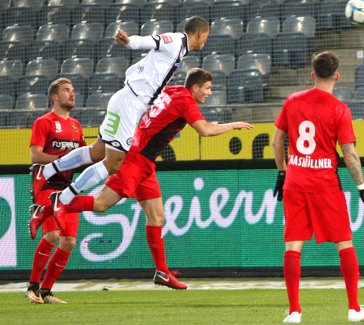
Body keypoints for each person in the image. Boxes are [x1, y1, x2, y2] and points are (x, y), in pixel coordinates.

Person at [47, 68, 251, 290]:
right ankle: (50, 208)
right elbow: (205, 130)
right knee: (101, 204)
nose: (210, 93)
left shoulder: (173, 91)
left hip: (145, 161)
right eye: (208, 88)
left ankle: (162, 272)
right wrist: (233, 124)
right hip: (135, 158)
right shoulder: (186, 101)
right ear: (195, 87)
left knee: (157, 216)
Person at [30, 17, 211, 232]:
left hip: (127, 100)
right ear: (200, 33)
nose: (205, 41)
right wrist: (129, 42)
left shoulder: (181, 51)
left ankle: (47, 171)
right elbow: (151, 41)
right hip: (130, 103)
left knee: (96, 152)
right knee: (113, 163)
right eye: (206, 37)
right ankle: (63, 199)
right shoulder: (176, 41)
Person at [272, 51, 364, 323]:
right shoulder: (339, 109)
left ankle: (294, 311)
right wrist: (362, 187)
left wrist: (282, 173)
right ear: (337, 76)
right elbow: (349, 154)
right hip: (325, 183)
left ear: (312, 74)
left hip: (296, 180)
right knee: (344, 242)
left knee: (293, 245)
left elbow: (276, 140)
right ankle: (353, 308)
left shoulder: (292, 102)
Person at [25, 78, 85, 304]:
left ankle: (46, 291)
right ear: (54, 97)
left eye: (73, 90)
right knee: (52, 235)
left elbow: (81, 156)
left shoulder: (76, 126)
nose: (72, 94)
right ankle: (32, 287)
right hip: (46, 185)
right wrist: (63, 160)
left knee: (69, 242)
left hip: (68, 189)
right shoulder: (44, 122)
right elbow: (35, 155)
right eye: (66, 91)